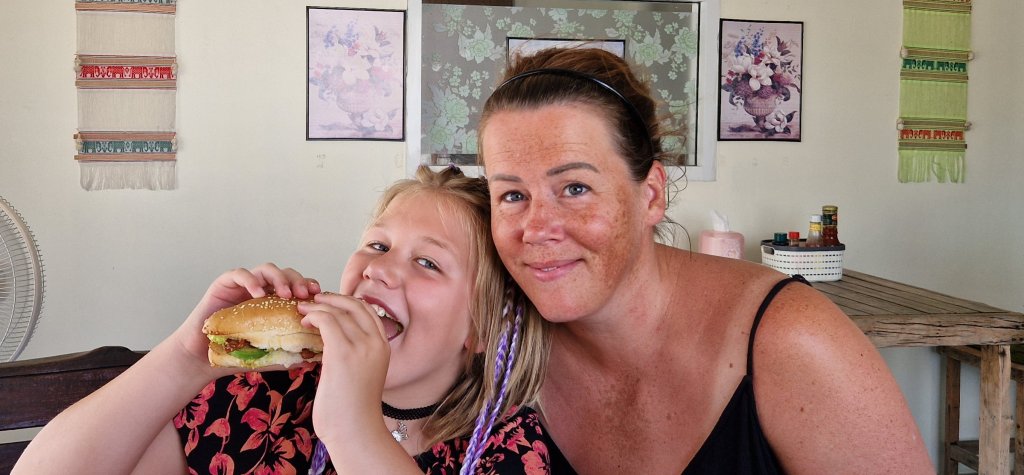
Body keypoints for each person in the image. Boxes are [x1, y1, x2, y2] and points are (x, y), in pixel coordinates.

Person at [476, 47, 935, 474]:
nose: (536, 228)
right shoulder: (490, 345)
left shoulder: (792, 340)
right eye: (512, 195)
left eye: (575, 188)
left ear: (650, 195)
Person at [14, 166, 553, 474]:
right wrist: (186, 359)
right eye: (377, 245)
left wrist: (352, 426)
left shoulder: (509, 447)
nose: (380, 269)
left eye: (428, 263)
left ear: (481, 328)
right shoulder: (267, 395)